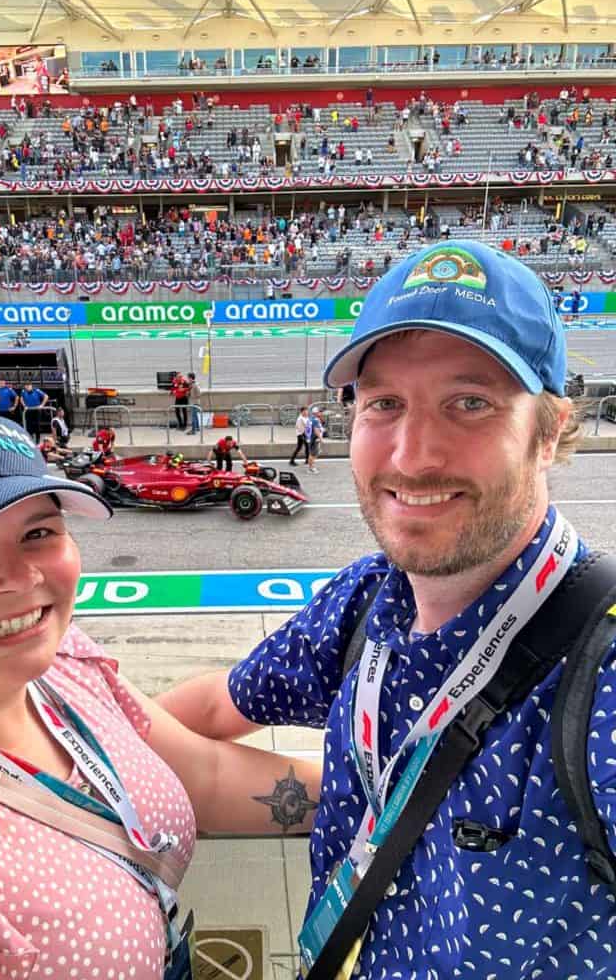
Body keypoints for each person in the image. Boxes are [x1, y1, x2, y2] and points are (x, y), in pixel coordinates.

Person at [156, 240, 615, 978]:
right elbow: (216, 704)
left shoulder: (604, 678)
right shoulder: (363, 601)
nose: (412, 454)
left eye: (471, 403)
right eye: (385, 404)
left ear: (551, 429)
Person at [0, 406, 320, 978]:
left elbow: (208, 776)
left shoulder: (60, 656)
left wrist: (390, 800)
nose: (20, 579)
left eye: (38, 533)